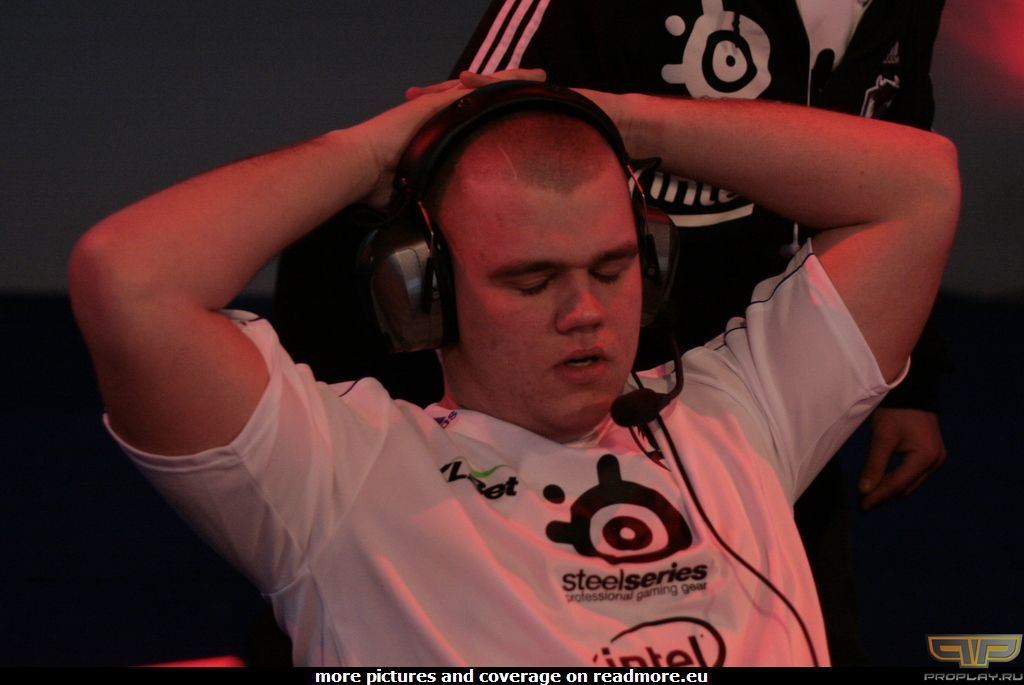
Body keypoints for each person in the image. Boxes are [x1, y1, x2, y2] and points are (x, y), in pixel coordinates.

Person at [69, 74, 958, 665]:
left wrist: (620, 119)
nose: (584, 311)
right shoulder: (337, 474)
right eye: (531, 281)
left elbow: (920, 186)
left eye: (613, 268)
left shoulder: (739, 416)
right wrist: (377, 150)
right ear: (423, 292)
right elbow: (128, 280)